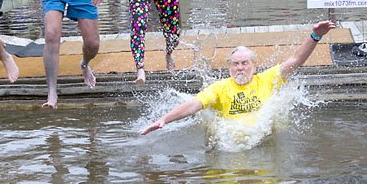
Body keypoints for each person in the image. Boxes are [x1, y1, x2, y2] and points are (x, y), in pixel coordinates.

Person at [142, 21, 336, 134]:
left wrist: (315, 36)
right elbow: (194, 104)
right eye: (236, 64)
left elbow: (295, 60)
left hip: (259, 139)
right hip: (229, 142)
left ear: (254, 66)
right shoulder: (220, 88)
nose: (240, 68)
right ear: (229, 68)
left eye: (245, 63)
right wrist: (165, 120)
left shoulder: (267, 79)